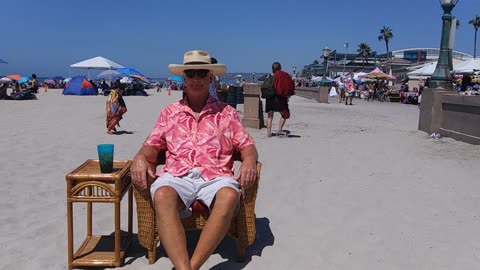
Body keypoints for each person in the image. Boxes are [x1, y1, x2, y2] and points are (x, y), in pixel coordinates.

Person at [130, 50, 258, 270]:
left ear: (210, 77)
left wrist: (248, 160)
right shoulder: (170, 113)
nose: (196, 78)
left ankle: (191, 267)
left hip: (216, 177)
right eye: (191, 74)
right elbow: (151, 147)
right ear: (185, 79)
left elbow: (247, 145)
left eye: (202, 73)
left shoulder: (226, 113)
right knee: (162, 195)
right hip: (178, 176)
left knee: (228, 196)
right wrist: (140, 157)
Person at [265, 62, 294, 137]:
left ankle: (269, 133)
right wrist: (287, 96)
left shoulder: (269, 78)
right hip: (279, 99)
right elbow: (288, 87)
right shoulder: (283, 76)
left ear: (272, 69)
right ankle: (279, 130)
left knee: (270, 117)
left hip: (269, 98)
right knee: (285, 114)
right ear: (280, 68)